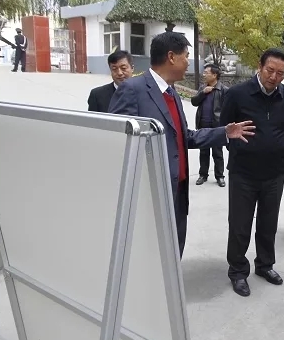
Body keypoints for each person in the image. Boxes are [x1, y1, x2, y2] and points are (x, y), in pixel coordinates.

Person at [108, 32, 254, 257]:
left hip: (178, 190)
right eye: (186, 56)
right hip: (150, 194)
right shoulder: (133, 90)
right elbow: (118, 142)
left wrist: (224, 133)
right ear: (171, 57)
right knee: (149, 255)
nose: (188, 62)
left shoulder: (171, 92)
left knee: (174, 252)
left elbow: (184, 137)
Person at [220, 48, 284, 297]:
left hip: (274, 173)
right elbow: (225, 128)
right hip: (243, 173)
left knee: (268, 223)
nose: (274, 77)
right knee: (239, 224)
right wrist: (244, 150)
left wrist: (272, 146)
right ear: (260, 66)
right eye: (270, 70)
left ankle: (265, 265)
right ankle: (237, 271)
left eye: (280, 73)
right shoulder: (237, 94)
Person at [190, 63, 228, 187]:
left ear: (214, 75)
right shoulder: (203, 88)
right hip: (203, 125)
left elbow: (227, 108)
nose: (204, 75)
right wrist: (203, 93)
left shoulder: (223, 90)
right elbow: (194, 102)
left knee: (218, 153)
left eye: (206, 72)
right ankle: (203, 175)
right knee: (203, 152)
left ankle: (220, 176)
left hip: (217, 126)